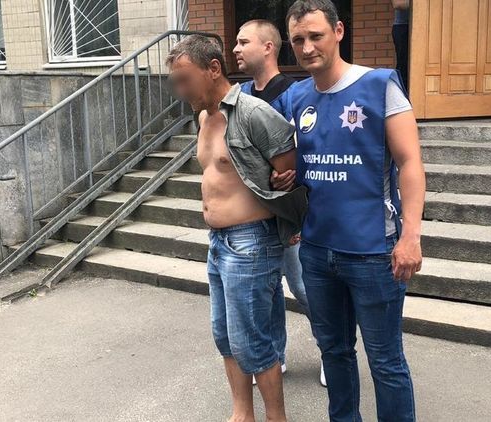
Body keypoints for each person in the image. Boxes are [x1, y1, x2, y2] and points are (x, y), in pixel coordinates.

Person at [278, 1, 426, 420]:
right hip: (316, 251)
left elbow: (410, 163)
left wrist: (410, 236)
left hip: (374, 251)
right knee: (334, 352)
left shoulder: (379, 85)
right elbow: (282, 155)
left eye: (316, 36)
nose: (307, 48)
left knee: (386, 361)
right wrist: (284, 178)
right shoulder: (296, 97)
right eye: (298, 40)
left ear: (339, 31)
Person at [166, 35, 307, 422]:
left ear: (213, 69)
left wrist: (288, 208)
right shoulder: (202, 117)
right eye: (175, 82)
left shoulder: (253, 113)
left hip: (252, 242)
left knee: (252, 341)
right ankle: (242, 413)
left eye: (185, 79)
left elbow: (292, 175)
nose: (180, 90)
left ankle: (276, 418)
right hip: (219, 242)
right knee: (225, 335)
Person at [232, 19, 325, 387]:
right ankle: (275, 356)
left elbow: (310, 144)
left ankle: (332, 350)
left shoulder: (295, 92)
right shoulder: (238, 94)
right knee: (267, 290)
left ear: (268, 47)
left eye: (244, 42)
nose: (236, 49)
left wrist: (294, 172)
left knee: (302, 285)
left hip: (288, 210)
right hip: (254, 214)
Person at [391, 0, 410, 90]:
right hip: (403, 26)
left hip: (426, 26)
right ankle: (401, 94)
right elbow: (398, 4)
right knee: (403, 67)